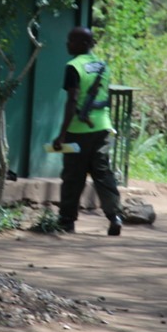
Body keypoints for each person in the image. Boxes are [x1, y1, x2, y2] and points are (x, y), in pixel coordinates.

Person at [52, 26, 125, 236]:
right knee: (103, 174)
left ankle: (66, 221)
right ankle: (115, 216)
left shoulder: (73, 66)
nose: (67, 44)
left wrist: (62, 133)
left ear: (84, 44)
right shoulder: (102, 65)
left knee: (73, 177)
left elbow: (73, 99)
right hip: (102, 128)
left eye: (71, 40)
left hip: (78, 131)